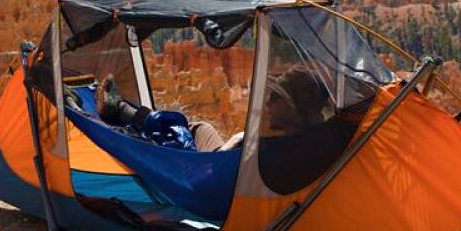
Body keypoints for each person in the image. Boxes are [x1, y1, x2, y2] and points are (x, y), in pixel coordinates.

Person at [94, 67, 331, 152]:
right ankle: (128, 113)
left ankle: (122, 111)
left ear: (293, 109)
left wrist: (236, 142)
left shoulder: (277, 150)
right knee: (200, 128)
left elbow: (214, 174)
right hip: (224, 164)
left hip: (205, 177)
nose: (267, 102)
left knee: (176, 131)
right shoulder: (311, 137)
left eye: (276, 97)